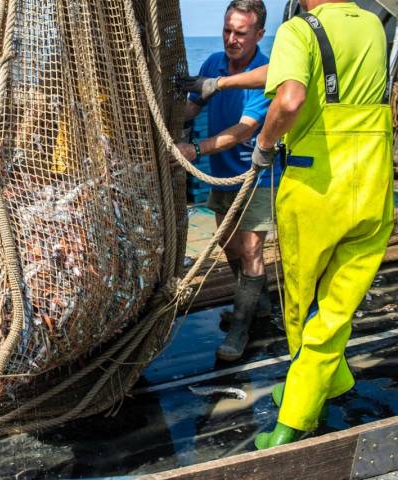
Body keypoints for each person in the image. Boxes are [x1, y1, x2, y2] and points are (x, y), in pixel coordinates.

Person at [192, 0, 394, 447]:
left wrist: (265, 143)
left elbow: (289, 98)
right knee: (337, 307)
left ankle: (293, 419)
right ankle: (330, 382)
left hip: (318, 189)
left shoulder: (299, 30)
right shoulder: (376, 28)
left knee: (302, 310)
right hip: (374, 185)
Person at [177, 0, 279, 362]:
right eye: (227, 30)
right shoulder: (212, 64)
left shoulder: (264, 71)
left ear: (259, 34)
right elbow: (193, 106)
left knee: (251, 250)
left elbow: (243, 130)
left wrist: (195, 149)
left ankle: (240, 328)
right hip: (221, 174)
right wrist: (172, 112)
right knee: (226, 243)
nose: (231, 39)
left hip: (256, 175)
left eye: (241, 33)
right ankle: (258, 303)